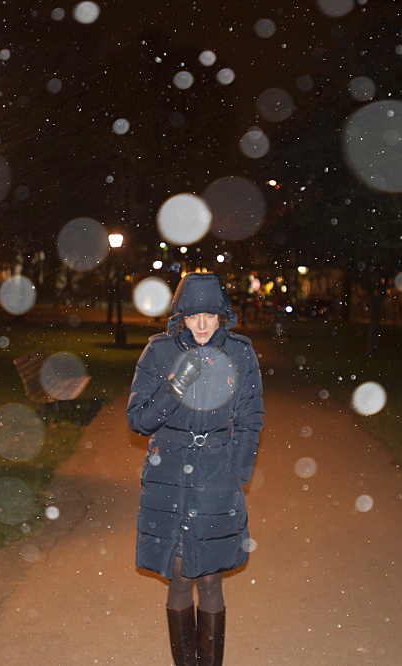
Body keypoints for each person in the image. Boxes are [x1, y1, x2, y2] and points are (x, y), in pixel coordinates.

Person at [127, 272, 265, 666]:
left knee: (210, 578)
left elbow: (251, 417)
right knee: (179, 577)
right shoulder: (159, 352)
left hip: (216, 475)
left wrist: (236, 472)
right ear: (180, 318)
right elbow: (138, 421)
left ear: (222, 316)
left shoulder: (240, 353)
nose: (201, 325)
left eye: (209, 315)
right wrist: (176, 385)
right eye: (192, 316)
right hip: (168, 472)